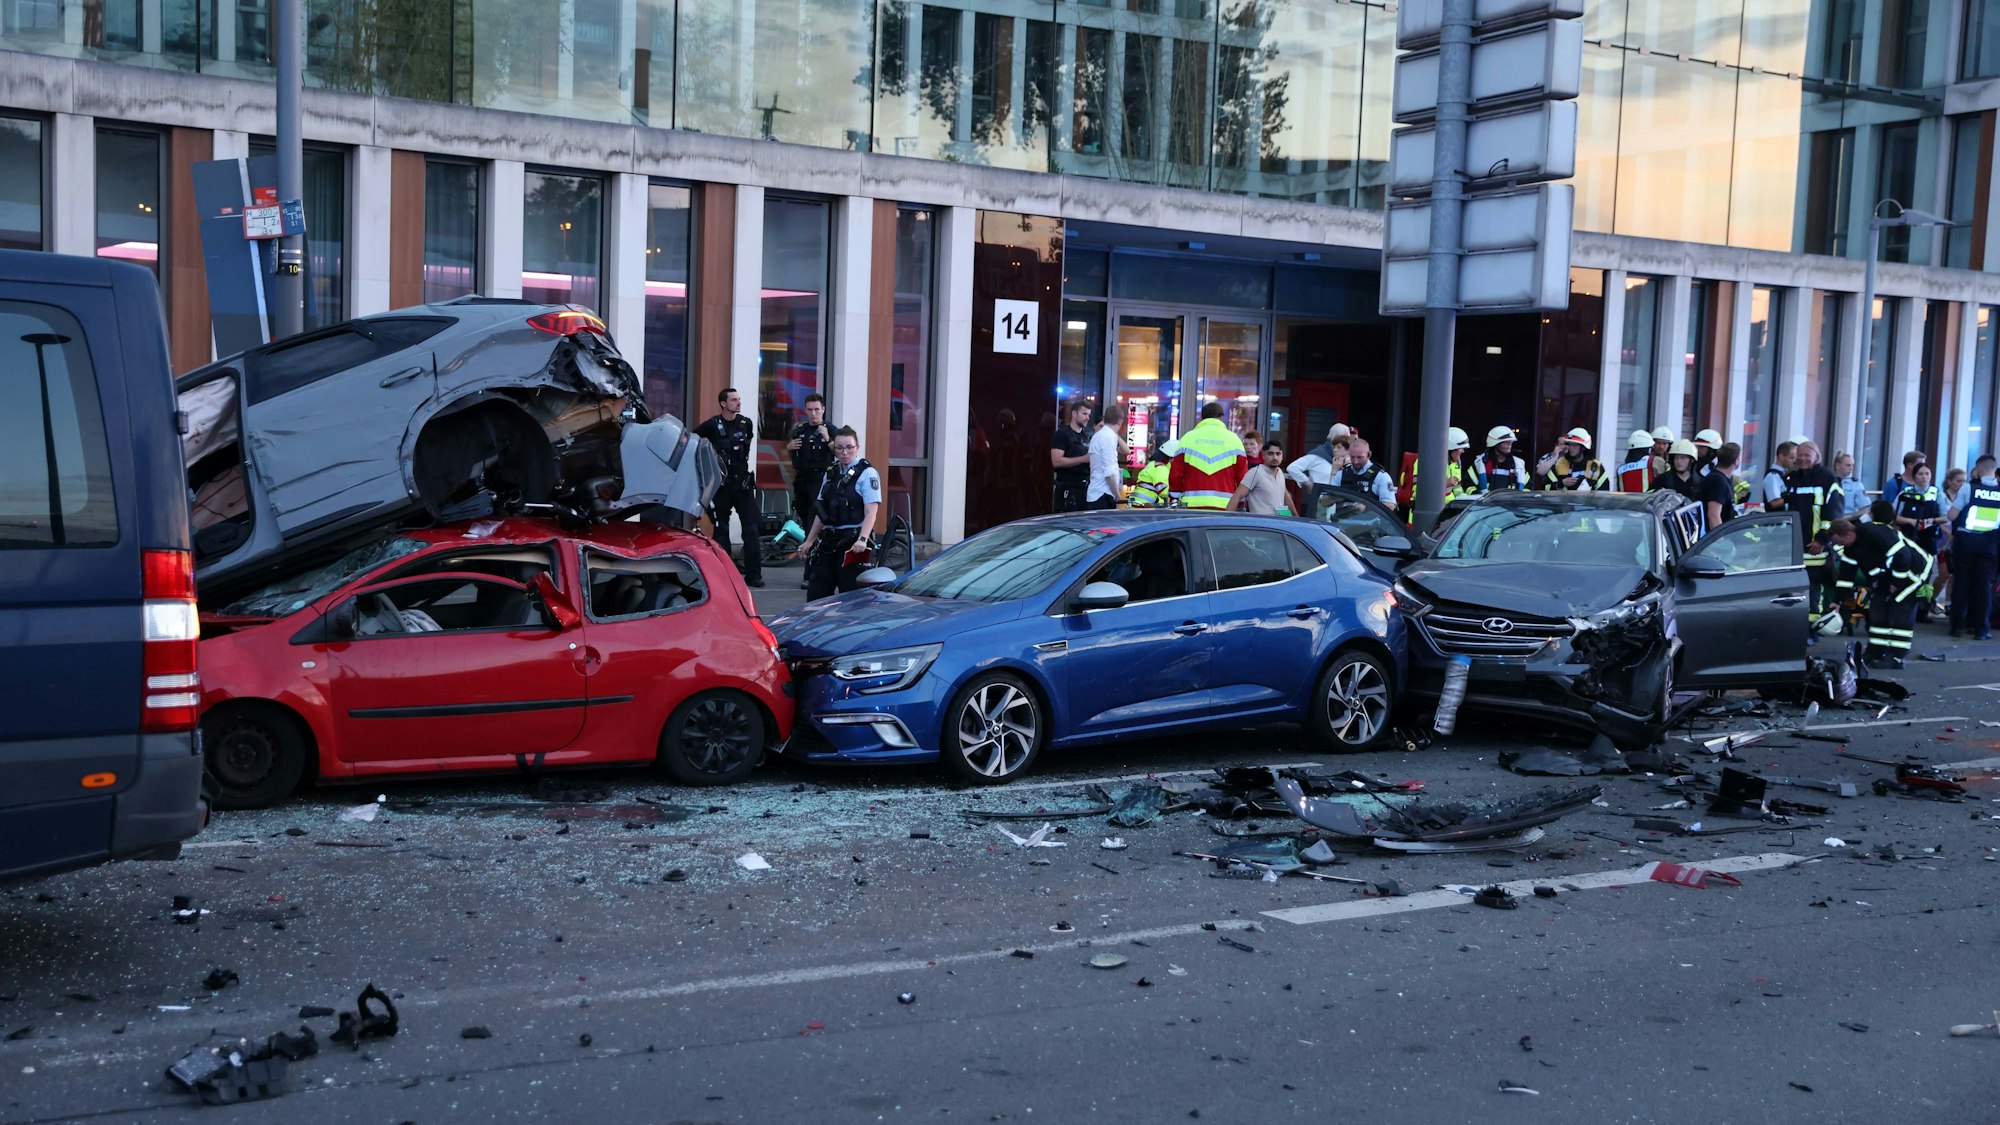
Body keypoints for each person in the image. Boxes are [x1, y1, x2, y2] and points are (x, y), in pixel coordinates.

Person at [1830, 504, 1933, 668]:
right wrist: (1838, 601)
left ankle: (1897, 657)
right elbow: (1846, 576)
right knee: (1877, 608)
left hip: (1914, 571)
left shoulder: (1875, 533)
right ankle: (1875, 651)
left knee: (1900, 609)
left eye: (1839, 541)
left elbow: (1903, 556)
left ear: (1848, 534)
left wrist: (1896, 583)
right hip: (1888, 575)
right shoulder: (1851, 547)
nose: (1840, 545)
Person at [800, 426, 882, 601]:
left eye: (849, 447)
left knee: (851, 597)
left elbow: (871, 512)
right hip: (829, 540)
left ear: (857, 447)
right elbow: (821, 512)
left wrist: (862, 539)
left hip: (853, 542)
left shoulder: (867, 473)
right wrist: (809, 541)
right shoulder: (831, 472)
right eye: (839, 448)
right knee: (816, 594)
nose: (844, 452)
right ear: (834, 449)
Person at [695, 387, 763, 588]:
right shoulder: (712, 425)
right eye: (734, 400)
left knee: (752, 529)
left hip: (742, 485)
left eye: (739, 399)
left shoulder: (746, 423)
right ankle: (726, 575)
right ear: (723, 403)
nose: (738, 402)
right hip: (722, 486)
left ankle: (754, 575)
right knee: (721, 530)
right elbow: (693, 440)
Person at [1784, 440, 1845, 626]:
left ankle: (1813, 628)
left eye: (1807, 455)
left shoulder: (1827, 478)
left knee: (1813, 588)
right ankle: (1797, 626)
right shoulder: (1793, 478)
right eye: (1800, 455)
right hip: (1793, 544)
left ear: (1816, 457)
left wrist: (1821, 540)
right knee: (1794, 587)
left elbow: (1833, 516)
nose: (1803, 459)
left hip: (1815, 546)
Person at [1945, 454, 2000, 640]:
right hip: (1989, 545)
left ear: (1980, 469)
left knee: (1962, 583)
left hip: (1966, 543)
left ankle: (1956, 627)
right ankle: (1981, 629)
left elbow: (1952, 516)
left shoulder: (1969, 488)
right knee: (1984, 587)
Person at [1169, 402, 1248, 508]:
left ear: (1201, 417)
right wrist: (1241, 503)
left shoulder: (1187, 438)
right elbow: (1242, 478)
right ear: (1221, 417)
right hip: (1226, 506)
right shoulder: (1234, 440)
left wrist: (1174, 499)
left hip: (1191, 506)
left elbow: (1176, 475)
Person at [1893, 461, 1945, 621]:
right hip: (1909, 538)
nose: (1924, 477)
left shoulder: (1936, 493)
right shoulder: (1905, 493)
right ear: (1914, 476)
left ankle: (1922, 610)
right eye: (1920, 474)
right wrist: (1909, 521)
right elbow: (1894, 515)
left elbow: (1946, 516)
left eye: (1927, 474)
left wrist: (1931, 521)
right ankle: (1903, 607)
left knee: (1926, 575)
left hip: (1928, 538)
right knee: (1907, 572)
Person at [786, 392, 835, 534]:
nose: (813, 413)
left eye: (817, 409)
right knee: (803, 514)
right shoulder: (800, 429)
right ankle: (808, 543)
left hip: (820, 479)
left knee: (815, 515)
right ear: (805, 411)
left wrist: (828, 438)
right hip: (802, 479)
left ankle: (812, 544)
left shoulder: (830, 429)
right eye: (810, 410)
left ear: (823, 409)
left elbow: (839, 452)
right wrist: (789, 447)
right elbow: (792, 454)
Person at [1050, 397, 1094, 512]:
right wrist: (1083, 459)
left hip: (1085, 489)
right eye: (1084, 414)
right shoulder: (1062, 434)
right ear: (1074, 414)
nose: (1087, 418)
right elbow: (1056, 461)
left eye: (1089, 415)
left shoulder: (1087, 437)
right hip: (1067, 489)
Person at [1331, 438, 1397, 507]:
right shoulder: (1342, 474)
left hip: (1370, 514)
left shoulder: (1380, 476)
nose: (1355, 462)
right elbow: (1327, 500)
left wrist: (1366, 507)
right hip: (1343, 513)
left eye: (1359, 457)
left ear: (1369, 454)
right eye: (1352, 457)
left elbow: (1390, 505)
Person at [1085, 403, 1128, 510]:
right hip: (1103, 495)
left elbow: (1126, 450)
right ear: (1120, 421)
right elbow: (1109, 473)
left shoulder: (1098, 436)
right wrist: (1117, 495)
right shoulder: (1108, 437)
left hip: (1096, 493)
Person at [1538, 427, 1610, 491]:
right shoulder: (1560, 465)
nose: (1570, 448)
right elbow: (1545, 487)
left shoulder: (1595, 466)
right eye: (1569, 444)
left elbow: (1604, 491)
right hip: (1564, 502)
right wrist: (1561, 483)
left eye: (1574, 445)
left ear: (1583, 447)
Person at [1233, 441, 1291, 515]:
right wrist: (1226, 519)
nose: (1275, 457)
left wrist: (1297, 518)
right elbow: (1237, 496)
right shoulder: (1255, 472)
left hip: (1279, 520)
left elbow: (1287, 499)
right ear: (1263, 455)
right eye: (1270, 454)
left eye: (1278, 454)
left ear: (1282, 455)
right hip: (1261, 521)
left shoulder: (1280, 473)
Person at [1285, 426, 1351, 490]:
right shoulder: (1317, 455)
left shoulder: (1349, 459)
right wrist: (1307, 483)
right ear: (1334, 437)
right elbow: (1292, 468)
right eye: (1344, 437)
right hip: (1321, 495)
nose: (1348, 441)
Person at [1652, 439, 1704, 505]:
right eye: (1676, 458)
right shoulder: (1661, 480)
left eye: (1683, 458)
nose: (1678, 461)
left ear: (1692, 460)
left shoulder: (1701, 482)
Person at [1702, 442, 1741, 528]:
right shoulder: (1717, 481)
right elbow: (1713, 516)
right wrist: (1721, 536)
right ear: (1736, 461)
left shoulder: (1723, 479)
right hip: (1717, 534)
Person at [1476, 426, 1528, 491]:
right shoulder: (1481, 464)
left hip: (1511, 498)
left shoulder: (1518, 465)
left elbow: (1527, 487)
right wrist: (1476, 494)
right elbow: (1468, 485)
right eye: (1506, 442)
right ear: (1495, 444)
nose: (1509, 445)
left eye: (1511, 442)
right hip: (1487, 498)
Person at [1760, 440, 1797, 513]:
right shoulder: (1772, 476)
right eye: (1791, 458)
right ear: (1781, 456)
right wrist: (1794, 497)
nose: (1794, 461)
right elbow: (1774, 503)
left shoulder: (1784, 475)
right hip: (1777, 519)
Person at [1831, 451, 1868, 516]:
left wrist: (1848, 518)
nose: (1851, 468)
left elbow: (1864, 510)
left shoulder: (1856, 485)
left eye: (1852, 465)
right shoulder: (1828, 481)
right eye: (1848, 465)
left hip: (1848, 519)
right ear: (1837, 466)